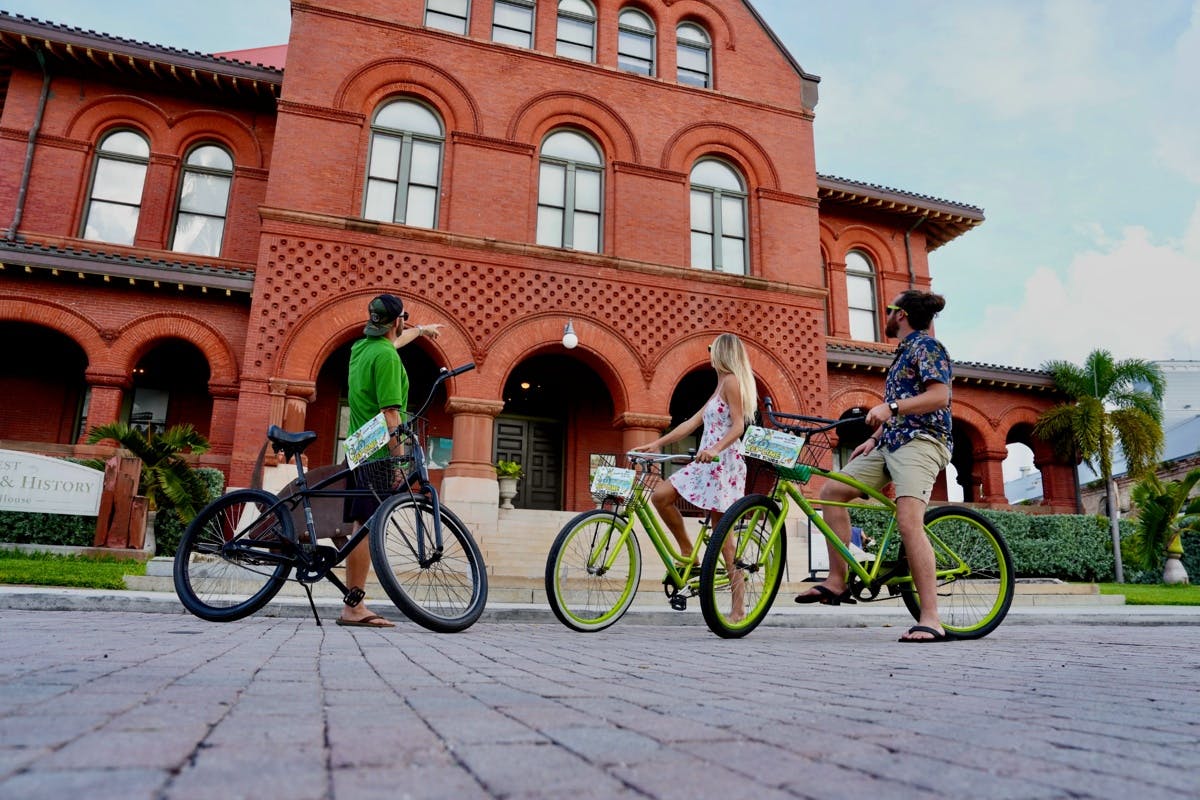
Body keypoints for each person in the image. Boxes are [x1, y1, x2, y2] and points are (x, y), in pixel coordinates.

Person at [799, 289, 954, 643]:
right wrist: (875, 436)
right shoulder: (902, 354)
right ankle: (837, 582)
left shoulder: (928, 347)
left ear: (900, 314)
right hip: (890, 442)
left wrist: (892, 409)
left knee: (908, 521)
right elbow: (904, 402)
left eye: (888, 308)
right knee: (831, 491)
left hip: (922, 441)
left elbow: (938, 397)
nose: (884, 314)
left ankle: (930, 618)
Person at [632, 333, 757, 616]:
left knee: (724, 541)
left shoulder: (733, 382)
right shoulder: (719, 386)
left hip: (723, 464)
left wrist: (715, 449)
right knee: (661, 496)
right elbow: (690, 423)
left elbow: (738, 426)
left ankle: (739, 609)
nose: (710, 352)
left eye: (713, 348)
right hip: (706, 464)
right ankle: (689, 552)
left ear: (723, 352)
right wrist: (657, 443)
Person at [338, 293, 440, 628]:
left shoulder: (362, 349)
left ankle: (354, 603)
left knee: (360, 527)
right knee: (366, 529)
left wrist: (421, 330)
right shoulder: (387, 360)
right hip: (379, 453)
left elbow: (391, 344)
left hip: (359, 450)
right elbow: (391, 414)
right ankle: (354, 607)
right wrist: (399, 462)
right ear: (397, 321)